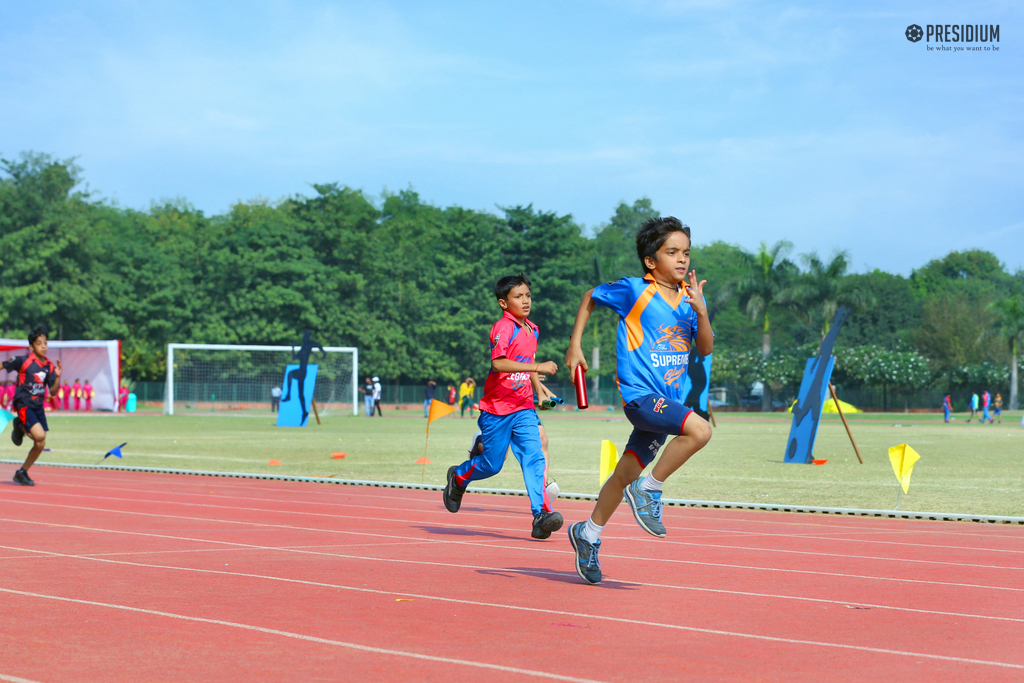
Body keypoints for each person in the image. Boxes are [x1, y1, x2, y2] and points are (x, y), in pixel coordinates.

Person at [563, 216, 713, 585]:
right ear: (651, 260)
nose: (682, 260)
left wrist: (702, 311)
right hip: (641, 398)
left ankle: (588, 534)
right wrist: (575, 345)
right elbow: (589, 297)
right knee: (701, 430)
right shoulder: (634, 291)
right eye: (672, 252)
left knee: (623, 473)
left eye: (686, 253)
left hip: (665, 402)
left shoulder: (688, 300)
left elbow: (705, 349)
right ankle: (649, 490)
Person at [443, 273, 564, 539]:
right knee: (492, 465)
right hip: (496, 411)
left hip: (522, 408)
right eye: (518, 296)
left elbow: (526, 360)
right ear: (503, 303)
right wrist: (537, 366)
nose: (525, 301)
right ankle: (460, 477)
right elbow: (499, 364)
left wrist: (540, 392)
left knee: (534, 455)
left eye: (528, 295)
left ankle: (541, 515)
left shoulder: (533, 329)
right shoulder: (503, 328)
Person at [4, 325, 62, 486]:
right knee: (39, 435)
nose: (43, 346)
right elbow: (2, 365)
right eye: (39, 343)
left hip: (37, 406)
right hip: (23, 404)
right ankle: (20, 425)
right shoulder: (23, 361)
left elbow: (53, 392)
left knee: (40, 443)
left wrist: (57, 377)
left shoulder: (49, 366)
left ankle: (22, 472)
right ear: (31, 346)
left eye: (45, 343)